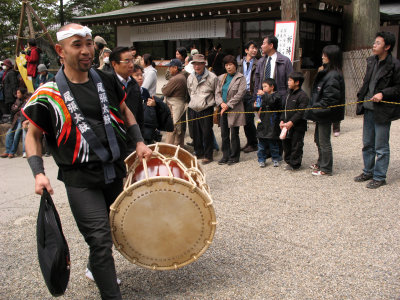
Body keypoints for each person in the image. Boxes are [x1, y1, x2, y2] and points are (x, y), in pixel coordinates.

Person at [22, 23, 152, 300]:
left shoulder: (106, 80)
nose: (86, 50)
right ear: (60, 50)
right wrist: (38, 173)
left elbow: (126, 110)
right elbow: (32, 135)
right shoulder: (48, 94)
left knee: (118, 229)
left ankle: (95, 267)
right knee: (100, 239)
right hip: (80, 179)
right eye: (77, 45)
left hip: (113, 171)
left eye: (89, 43)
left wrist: (139, 141)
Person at [354, 31, 400, 189]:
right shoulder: (371, 61)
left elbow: (398, 88)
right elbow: (367, 83)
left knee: (381, 145)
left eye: (378, 43)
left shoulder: (395, 65)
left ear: (387, 46)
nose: (374, 45)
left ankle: (380, 176)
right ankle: (368, 171)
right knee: (367, 143)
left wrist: (383, 93)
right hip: (368, 107)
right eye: (374, 42)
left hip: (383, 109)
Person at [306, 45, 345, 176]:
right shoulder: (327, 72)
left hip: (326, 112)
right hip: (320, 110)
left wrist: (315, 107)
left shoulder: (333, 75)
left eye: (325, 55)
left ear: (332, 57)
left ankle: (326, 168)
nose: (322, 57)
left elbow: (331, 98)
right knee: (318, 139)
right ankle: (321, 162)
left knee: (324, 141)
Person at [215, 55, 246, 165]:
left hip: (234, 108)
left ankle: (235, 156)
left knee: (234, 133)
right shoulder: (221, 77)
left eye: (231, 65)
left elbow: (240, 94)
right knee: (224, 134)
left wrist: (228, 105)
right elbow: (217, 93)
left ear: (235, 66)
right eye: (226, 65)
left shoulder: (241, 77)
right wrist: (221, 103)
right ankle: (225, 155)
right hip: (223, 108)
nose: (228, 67)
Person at [187, 54, 218, 164]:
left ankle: (208, 155)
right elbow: (189, 92)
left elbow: (216, 93)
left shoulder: (212, 77)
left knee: (207, 133)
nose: (197, 66)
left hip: (206, 108)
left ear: (204, 64)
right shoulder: (190, 77)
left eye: (199, 64)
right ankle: (198, 152)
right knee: (195, 133)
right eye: (195, 64)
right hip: (193, 108)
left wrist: (216, 108)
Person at [110, 46, 144, 132]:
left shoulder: (134, 84)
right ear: (114, 64)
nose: (131, 65)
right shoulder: (108, 83)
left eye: (132, 60)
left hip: (133, 132)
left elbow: (139, 112)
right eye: (127, 61)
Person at [280, 72, 309, 171]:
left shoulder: (303, 96)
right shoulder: (288, 93)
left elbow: (301, 112)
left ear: (297, 82)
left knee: (296, 144)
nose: (288, 82)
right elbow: (283, 108)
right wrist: (282, 120)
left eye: (290, 80)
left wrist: (292, 122)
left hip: (298, 125)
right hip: (286, 124)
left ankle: (295, 163)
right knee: (286, 143)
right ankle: (289, 161)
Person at [254, 35, 293, 106]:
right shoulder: (261, 61)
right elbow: (257, 81)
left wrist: (286, 99)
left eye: (264, 43)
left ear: (271, 45)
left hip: (279, 99)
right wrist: (256, 98)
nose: (262, 46)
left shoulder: (285, 61)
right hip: (263, 99)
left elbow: (290, 81)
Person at [238, 40, 259, 153]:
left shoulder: (258, 63)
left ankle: (254, 143)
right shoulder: (239, 63)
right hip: (241, 94)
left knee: (250, 120)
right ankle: (249, 142)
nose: (254, 50)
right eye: (252, 48)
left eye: (256, 48)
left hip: (251, 94)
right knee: (244, 120)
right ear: (246, 50)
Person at [255, 79, 281, 168]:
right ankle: (261, 159)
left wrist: (264, 95)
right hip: (262, 122)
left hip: (272, 123)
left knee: (273, 143)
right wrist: (255, 106)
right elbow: (257, 107)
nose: (263, 88)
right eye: (263, 87)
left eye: (265, 86)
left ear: (272, 87)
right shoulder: (262, 96)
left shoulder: (276, 95)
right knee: (261, 145)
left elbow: (273, 101)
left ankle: (275, 159)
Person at [162, 58, 188, 147]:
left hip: (176, 104)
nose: (169, 69)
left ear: (175, 68)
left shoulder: (177, 78)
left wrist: (164, 87)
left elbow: (165, 91)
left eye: (170, 67)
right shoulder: (181, 76)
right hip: (177, 104)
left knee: (173, 128)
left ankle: (170, 149)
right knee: (177, 128)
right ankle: (176, 148)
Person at [1, 87, 28, 158]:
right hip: (15, 119)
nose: (17, 94)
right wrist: (17, 109)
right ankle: (7, 150)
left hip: (22, 119)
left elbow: (22, 110)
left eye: (19, 93)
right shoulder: (17, 100)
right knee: (9, 133)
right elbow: (13, 109)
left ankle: (12, 151)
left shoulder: (25, 101)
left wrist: (17, 109)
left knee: (17, 134)